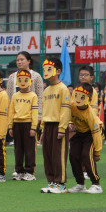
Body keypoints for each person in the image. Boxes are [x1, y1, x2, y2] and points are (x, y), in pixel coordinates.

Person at [39, 57, 71, 193]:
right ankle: (51, 182)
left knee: (58, 155)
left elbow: (65, 109)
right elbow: (44, 111)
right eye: (44, 69)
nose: (46, 72)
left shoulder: (63, 89)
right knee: (47, 155)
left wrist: (62, 128)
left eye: (49, 69)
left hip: (59, 126)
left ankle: (60, 183)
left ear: (58, 71)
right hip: (47, 126)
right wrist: (42, 130)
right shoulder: (46, 91)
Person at [66, 83, 103, 194]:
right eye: (76, 95)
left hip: (90, 135)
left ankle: (96, 184)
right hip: (79, 133)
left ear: (89, 99)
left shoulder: (90, 114)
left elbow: (96, 134)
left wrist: (97, 152)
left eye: (82, 97)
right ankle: (80, 184)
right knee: (73, 156)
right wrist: (69, 122)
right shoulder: (72, 106)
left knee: (86, 156)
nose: (78, 99)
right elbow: (67, 115)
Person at [8, 69, 39, 181]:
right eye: (20, 79)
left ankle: (30, 172)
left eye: (25, 80)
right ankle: (19, 171)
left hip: (28, 124)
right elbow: (11, 112)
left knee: (29, 149)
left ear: (30, 81)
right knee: (18, 149)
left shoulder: (33, 96)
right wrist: (10, 126)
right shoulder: (15, 95)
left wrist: (33, 128)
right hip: (17, 124)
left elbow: (35, 113)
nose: (22, 82)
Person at [5, 51, 45, 123]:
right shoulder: (12, 77)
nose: (19, 62)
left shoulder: (36, 76)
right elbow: (9, 97)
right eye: (17, 60)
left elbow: (40, 97)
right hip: (15, 116)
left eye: (22, 59)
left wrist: (39, 115)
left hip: (31, 116)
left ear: (29, 61)